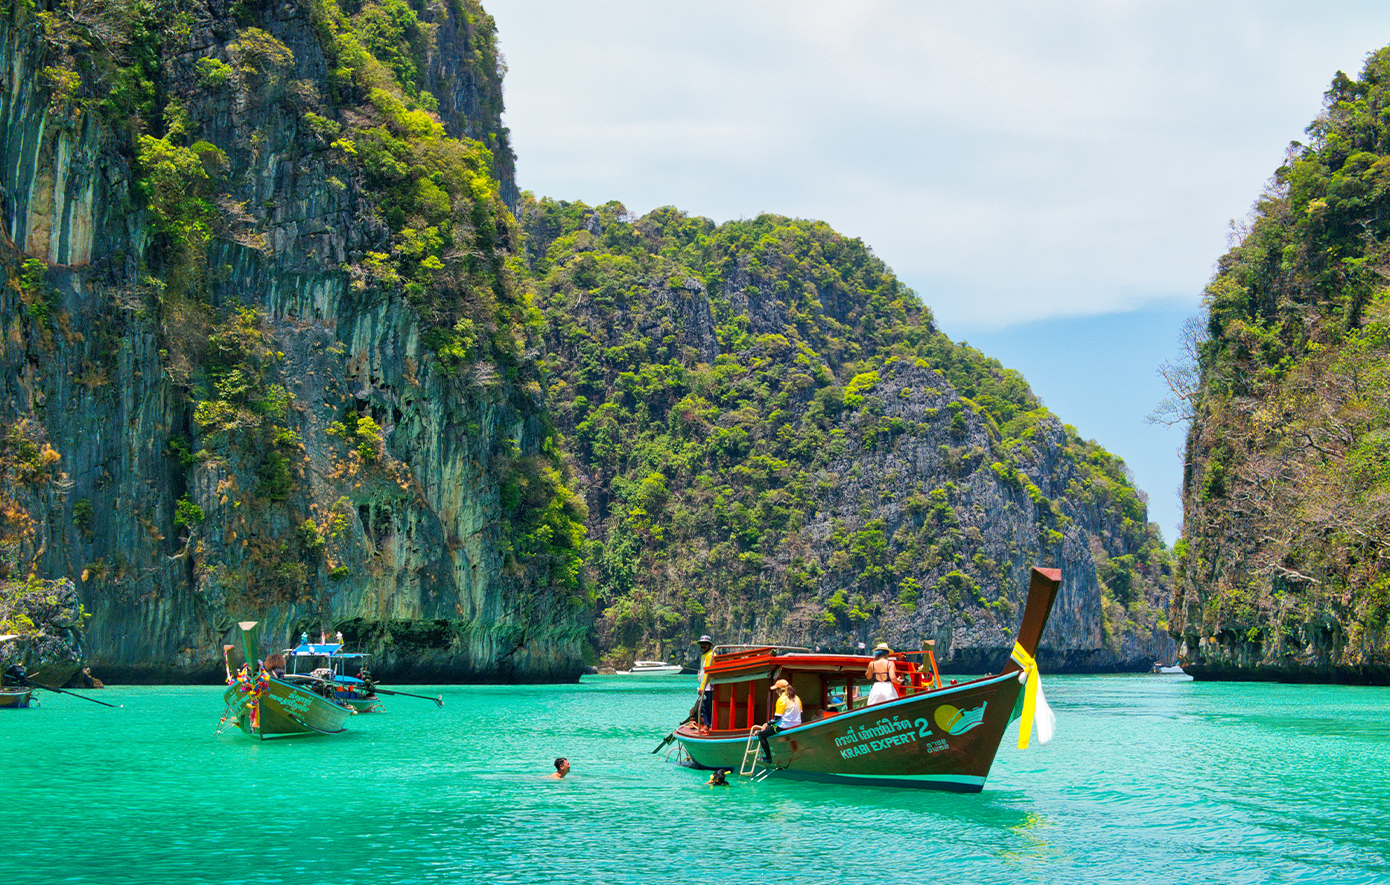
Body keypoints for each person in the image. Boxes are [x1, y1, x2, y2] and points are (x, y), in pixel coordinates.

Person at [753, 679, 801, 764]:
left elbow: (776, 719)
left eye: (776, 689)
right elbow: (801, 714)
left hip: (784, 726)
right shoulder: (797, 698)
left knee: (761, 735)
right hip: (797, 725)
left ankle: (768, 758)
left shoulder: (782, 699)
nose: (775, 692)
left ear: (780, 690)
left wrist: (766, 724)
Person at [695, 635, 715, 734]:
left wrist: (702, 687)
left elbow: (708, 672)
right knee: (704, 706)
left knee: (708, 706)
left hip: (709, 686)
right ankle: (707, 725)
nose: (703, 645)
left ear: (709, 645)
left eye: (705, 644)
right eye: (702, 644)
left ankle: (709, 725)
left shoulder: (710, 655)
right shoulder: (704, 655)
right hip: (705, 686)